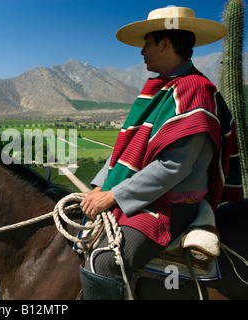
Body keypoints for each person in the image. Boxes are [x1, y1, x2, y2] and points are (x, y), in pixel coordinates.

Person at [79, 6, 243, 300]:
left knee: (104, 261)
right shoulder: (163, 88)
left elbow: (172, 167)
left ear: (165, 44)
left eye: (148, 42)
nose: (142, 51)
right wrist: (100, 184)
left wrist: (112, 196)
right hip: (146, 194)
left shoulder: (194, 91)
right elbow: (127, 147)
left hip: (170, 203)